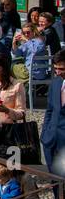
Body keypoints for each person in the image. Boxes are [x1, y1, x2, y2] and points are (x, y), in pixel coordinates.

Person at [43, 50, 65, 178]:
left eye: (61, 69)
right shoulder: (56, 82)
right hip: (50, 138)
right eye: (55, 68)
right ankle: (57, 198)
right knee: (55, 179)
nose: (58, 72)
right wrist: (45, 132)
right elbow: (50, 110)